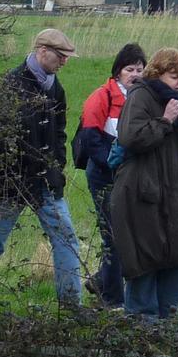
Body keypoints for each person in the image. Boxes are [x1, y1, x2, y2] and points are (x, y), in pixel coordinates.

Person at [0, 28, 83, 309]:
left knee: (67, 241)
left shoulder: (56, 88)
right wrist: (9, 178)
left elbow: (59, 135)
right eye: (61, 56)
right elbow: (1, 137)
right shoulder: (13, 84)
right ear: (43, 51)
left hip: (46, 182)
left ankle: (71, 306)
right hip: (13, 181)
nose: (64, 62)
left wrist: (57, 168)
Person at [110, 47, 178, 321]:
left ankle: (168, 342)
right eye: (174, 75)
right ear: (157, 72)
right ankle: (140, 340)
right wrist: (164, 120)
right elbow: (131, 137)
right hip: (144, 192)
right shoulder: (141, 96)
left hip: (176, 190)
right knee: (145, 260)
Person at [73, 42, 146, 309]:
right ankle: (113, 300)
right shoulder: (101, 97)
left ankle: (103, 281)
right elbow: (91, 139)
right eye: (130, 69)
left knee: (127, 236)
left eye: (140, 68)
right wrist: (112, 164)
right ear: (117, 72)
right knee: (113, 237)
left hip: (130, 177)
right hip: (104, 175)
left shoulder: (142, 98)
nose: (135, 74)